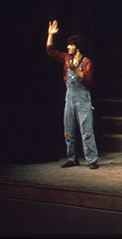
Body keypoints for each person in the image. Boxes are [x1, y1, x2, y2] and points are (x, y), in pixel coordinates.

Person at [46, 20, 99, 169]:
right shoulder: (66, 58)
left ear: (77, 47)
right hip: (69, 98)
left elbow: (88, 78)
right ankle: (72, 158)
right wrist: (50, 35)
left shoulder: (86, 62)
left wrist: (75, 69)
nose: (68, 47)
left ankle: (92, 159)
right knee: (68, 129)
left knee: (86, 131)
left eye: (71, 45)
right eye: (68, 45)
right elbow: (50, 51)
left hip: (83, 99)